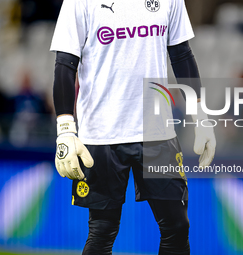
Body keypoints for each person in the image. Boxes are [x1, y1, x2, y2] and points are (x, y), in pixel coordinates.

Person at [50, 0, 216, 254]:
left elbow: (181, 53)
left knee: (177, 227)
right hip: (101, 135)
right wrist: (65, 129)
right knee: (102, 231)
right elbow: (65, 63)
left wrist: (200, 114)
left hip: (158, 133)